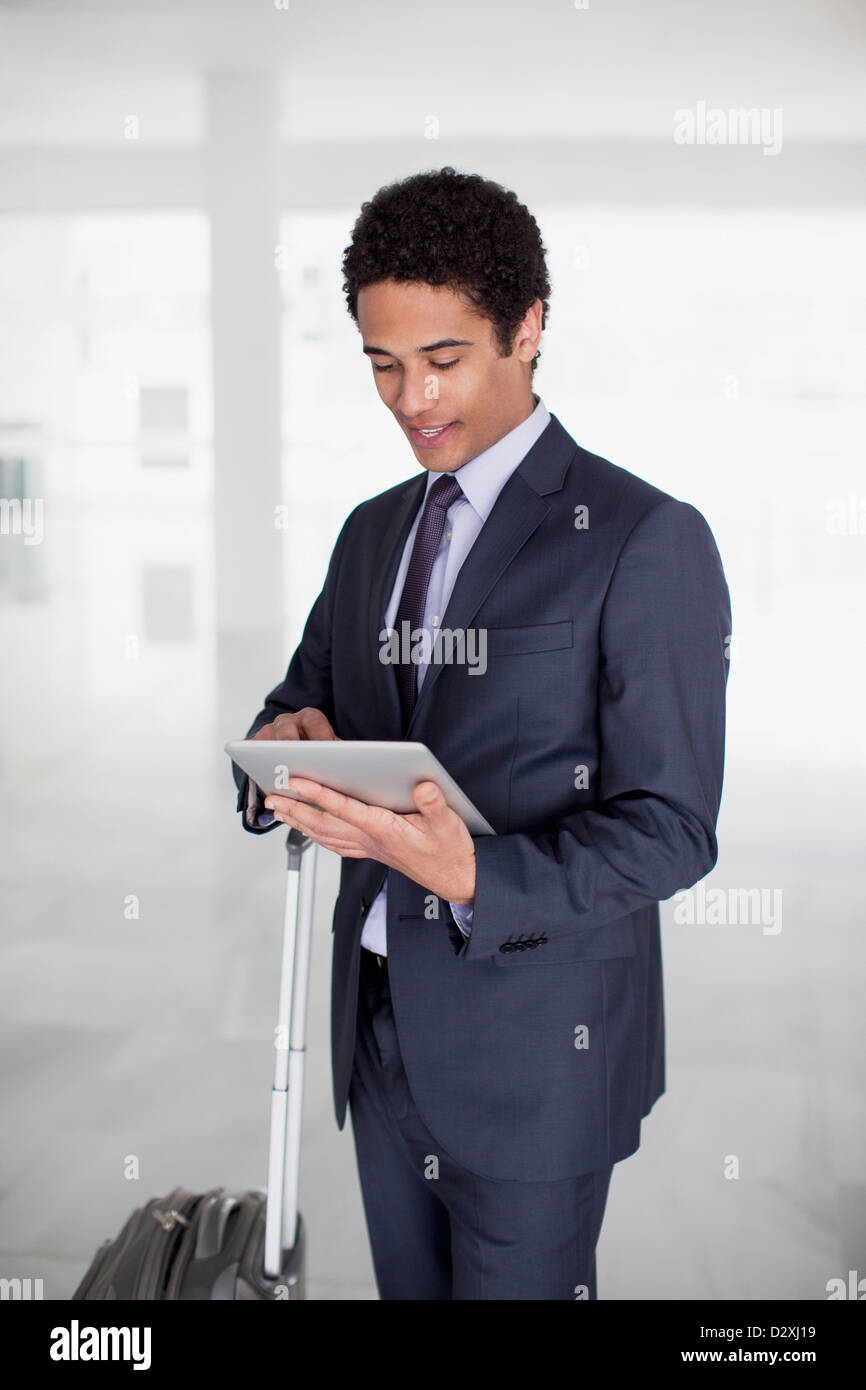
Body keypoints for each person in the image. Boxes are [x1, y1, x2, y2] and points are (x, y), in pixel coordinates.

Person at [231, 166, 731, 1300]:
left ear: (528, 327)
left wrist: (474, 874)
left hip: (534, 1057)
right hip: (377, 1031)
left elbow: (670, 829)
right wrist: (278, 752)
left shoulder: (642, 539)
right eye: (382, 365)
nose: (411, 398)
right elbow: (301, 699)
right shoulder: (371, 535)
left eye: (443, 359)